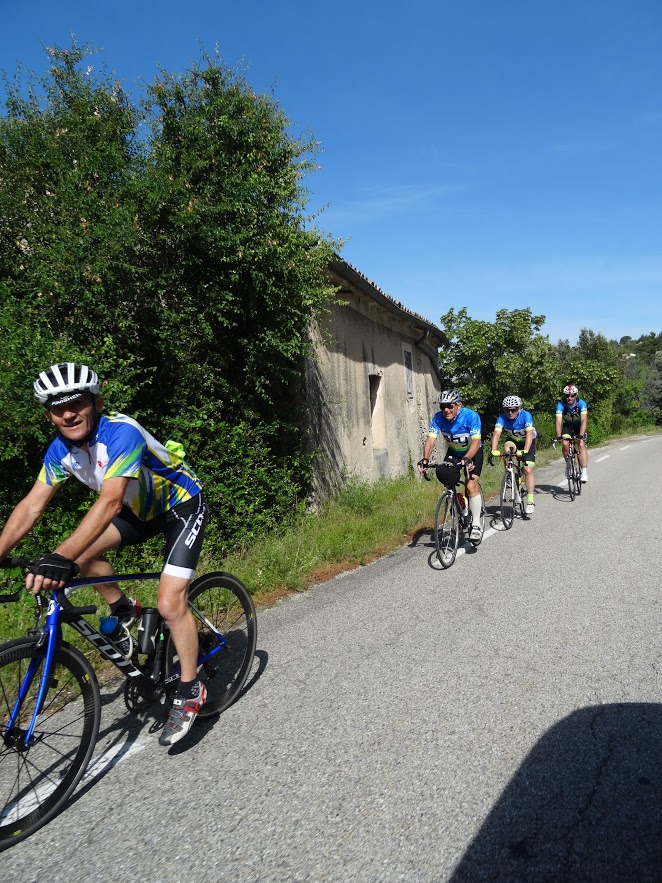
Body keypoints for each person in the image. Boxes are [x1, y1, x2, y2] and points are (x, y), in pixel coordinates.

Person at [0, 362, 209, 747]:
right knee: (81, 559)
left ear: (95, 402)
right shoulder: (59, 451)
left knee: (168, 603)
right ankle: (125, 610)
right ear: (48, 415)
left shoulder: (121, 432)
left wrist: (58, 555)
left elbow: (111, 501)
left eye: (76, 403)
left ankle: (189, 688)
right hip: (138, 514)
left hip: (180, 506)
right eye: (57, 407)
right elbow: (31, 506)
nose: (68, 413)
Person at [417, 389, 483, 541]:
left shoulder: (471, 416)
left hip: (473, 452)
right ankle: (463, 506)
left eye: (449, 406)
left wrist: (467, 458)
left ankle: (477, 526)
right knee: (447, 479)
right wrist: (425, 459)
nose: (445, 410)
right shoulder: (438, 418)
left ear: (458, 405)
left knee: (471, 485)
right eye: (442, 406)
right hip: (453, 452)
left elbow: (476, 441)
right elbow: (430, 440)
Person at [490, 395, 537, 515]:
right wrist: (494, 449)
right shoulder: (502, 418)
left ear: (519, 408)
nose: (510, 412)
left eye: (513, 409)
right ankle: (509, 473)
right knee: (506, 449)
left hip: (528, 442)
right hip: (514, 441)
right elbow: (496, 434)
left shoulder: (526, 416)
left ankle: (530, 501)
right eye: (507, 410)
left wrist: (525, 450)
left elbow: (530, 435)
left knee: (528, 470)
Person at [555, 383, 588, 482]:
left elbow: (584, 421)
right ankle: (569, 465)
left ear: (576, 395)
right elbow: (558, 421)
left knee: (581, 445)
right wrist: (559, 436)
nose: (569, 398)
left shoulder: (581, 404)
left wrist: (581, 435)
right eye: (567, 396)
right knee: (565, 443)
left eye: (572, 395)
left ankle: (584, 471)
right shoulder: (561, 405)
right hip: (567, 426)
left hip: (579, 426)